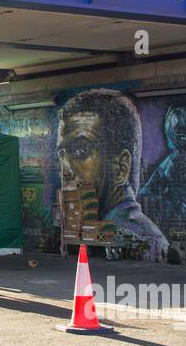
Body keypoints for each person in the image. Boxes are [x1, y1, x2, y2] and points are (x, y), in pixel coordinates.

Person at [55, 88, 169, 261]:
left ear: (121, 168)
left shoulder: (141, 239)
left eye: (80, 150)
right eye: (61, 155)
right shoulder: (106, 229)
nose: (65, 169)